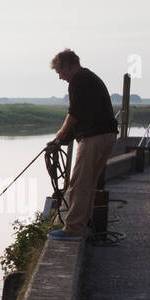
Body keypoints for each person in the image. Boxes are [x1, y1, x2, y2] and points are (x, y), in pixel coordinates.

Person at [46, 49, 118, 240]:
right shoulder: (88, 78)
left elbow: (75, 113)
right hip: (106, 135)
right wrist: (64, 138)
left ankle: (73, 229)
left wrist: (60, 136)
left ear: (69, 66)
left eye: (60, 72)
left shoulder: (78, 80)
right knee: (89, 182)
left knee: (79, 182)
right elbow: (83, 114)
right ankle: (81, 223)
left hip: (95, 137)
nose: (60, 77)